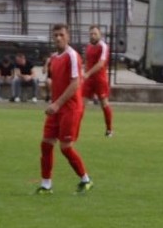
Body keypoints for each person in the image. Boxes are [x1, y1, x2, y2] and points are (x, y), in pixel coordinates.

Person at [35, 23, 93, 195]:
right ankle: (46, 185)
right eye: (55, 35)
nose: (58, 38)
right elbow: (53, 80)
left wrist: (57, 104)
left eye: (61, 34)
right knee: (46, 144)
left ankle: (86, 180)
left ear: (68, 36)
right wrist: (49, 94)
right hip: (56, 107)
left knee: (65, 147)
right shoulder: (53, 58)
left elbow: (75, 83)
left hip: (70, 108)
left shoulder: (72, 56)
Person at [82, 24, 113, 136]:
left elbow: (101, 64)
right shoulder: (88, 46)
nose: (93, 36)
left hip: (100, 79)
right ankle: (74, 128)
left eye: (95, 33)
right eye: (91, 34)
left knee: (104, 104)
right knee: (81, 104)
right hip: (88, 80)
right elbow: (86, 61)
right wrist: (84, 73)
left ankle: (109, 129)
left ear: (100, 34)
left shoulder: (103, 46)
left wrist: (88, 73)